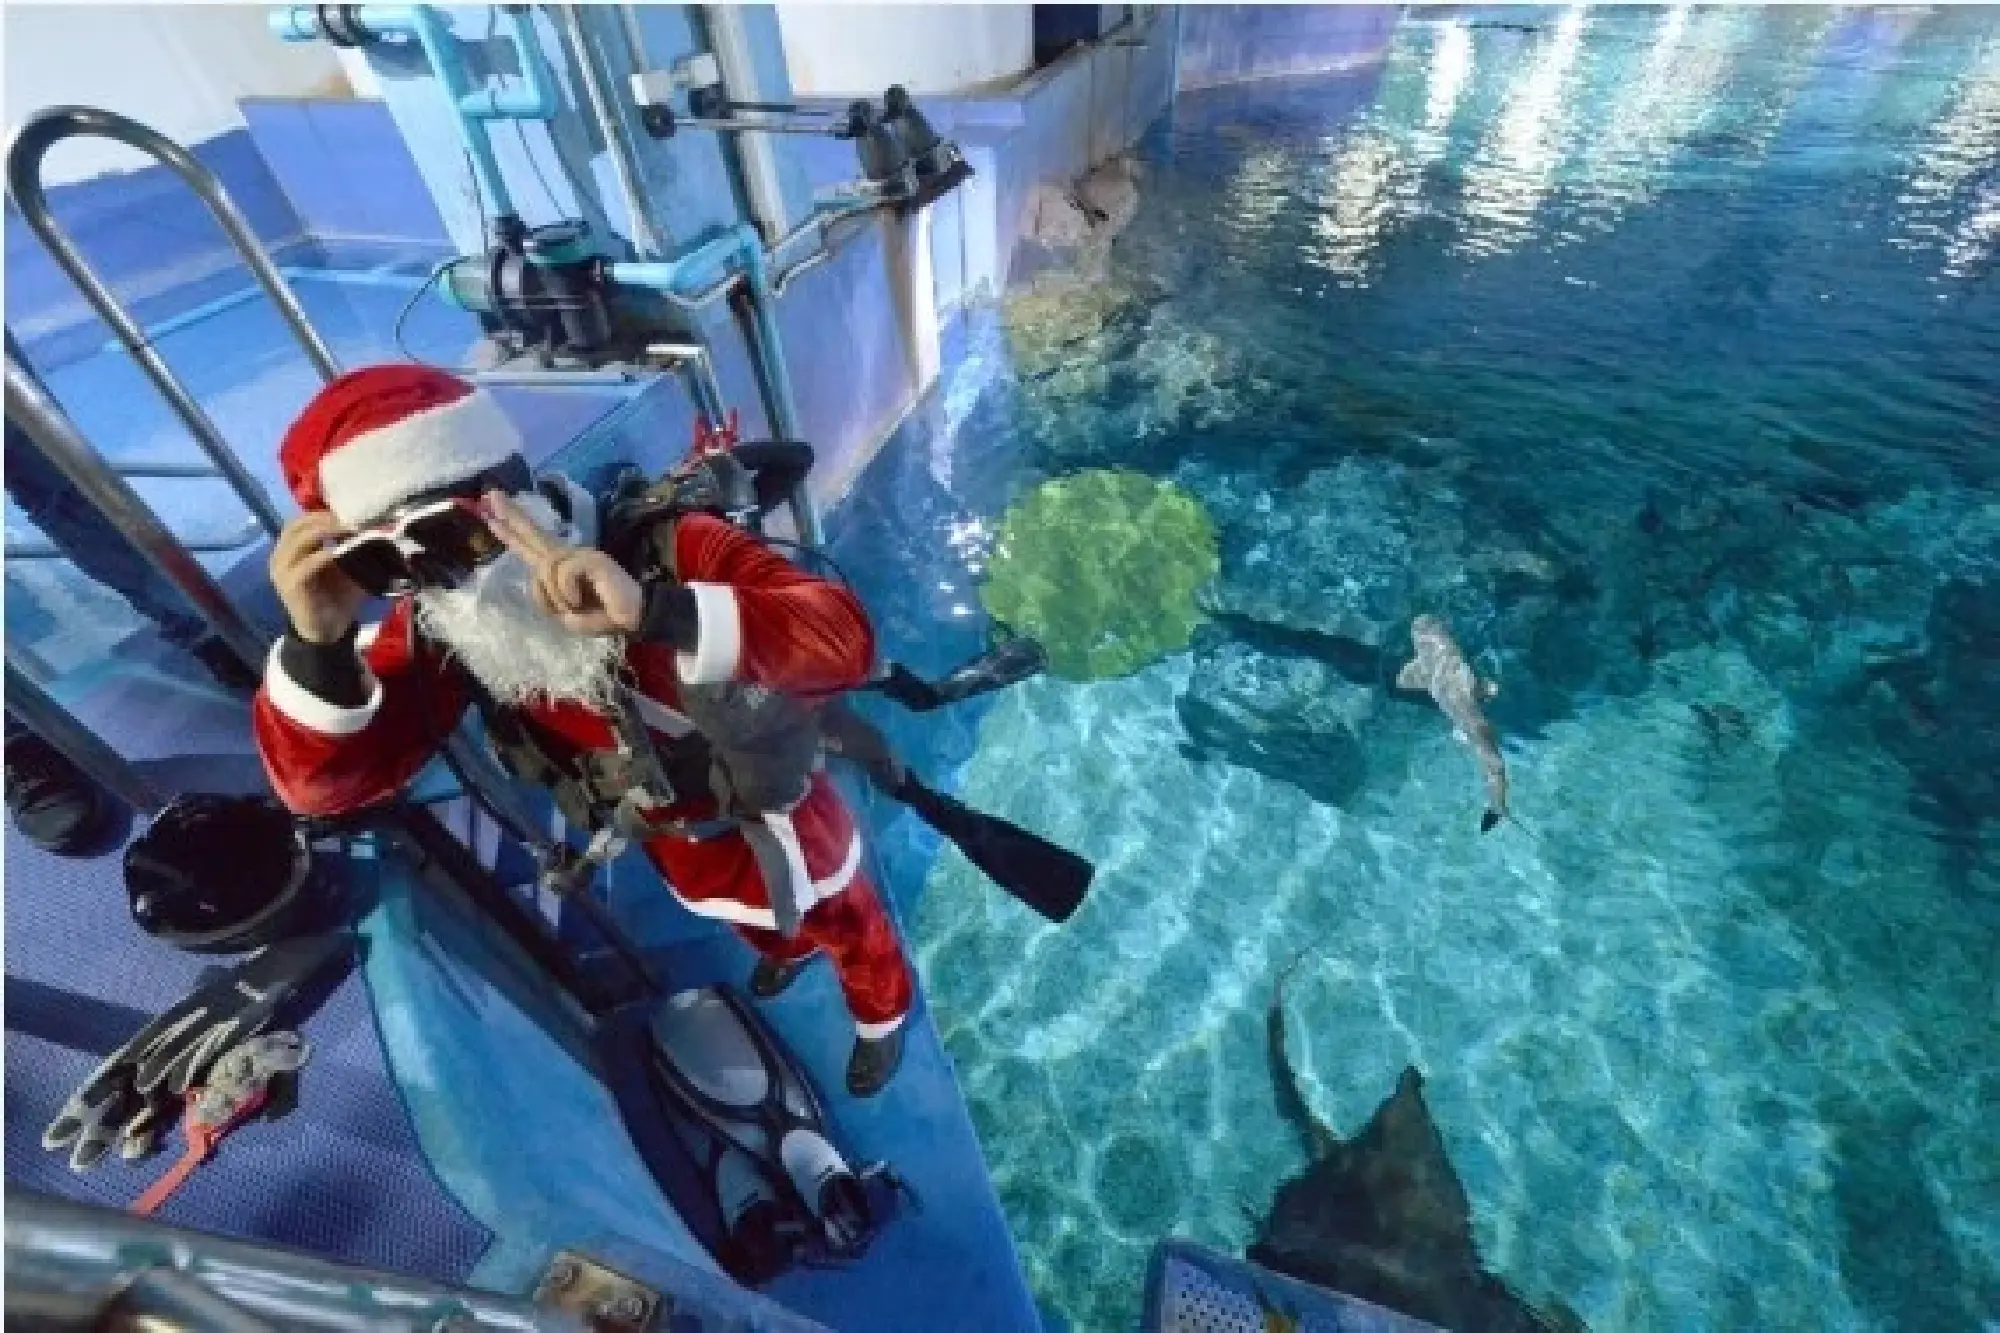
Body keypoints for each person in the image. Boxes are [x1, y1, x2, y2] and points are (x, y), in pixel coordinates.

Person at [250, 365, 914, 1095]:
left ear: (511, 491)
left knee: (850, 927)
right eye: (389, 562)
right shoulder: (450, 625)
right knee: (753, 919)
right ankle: (783, 945)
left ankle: (882, 1014)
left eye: (456, 537)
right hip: (674, 844)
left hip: (781, 820)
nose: (448, 580)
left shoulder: (672, 548)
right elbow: (323, 791)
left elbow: (845, 639)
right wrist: (318, 644)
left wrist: (659, 612)